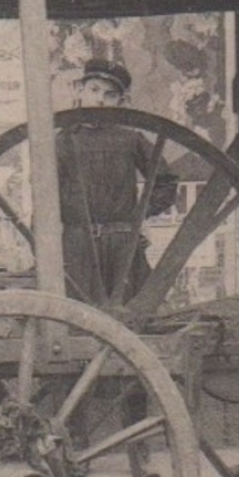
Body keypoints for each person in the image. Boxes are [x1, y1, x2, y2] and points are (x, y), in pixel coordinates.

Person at [55, 59, 180, 305]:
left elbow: (166, 182)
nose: (100, 100)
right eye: (94, 90)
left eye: (110, 95)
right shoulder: (63, 141)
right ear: (80, 90)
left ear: (120, 101)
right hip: (77, 245)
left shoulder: (130, 140)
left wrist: (137, 215)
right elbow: (45, 197)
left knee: (130, 314)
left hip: (122, 244)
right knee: (77, 316)